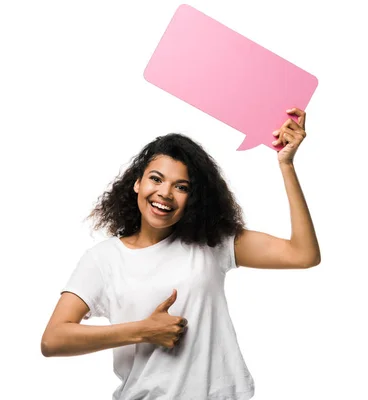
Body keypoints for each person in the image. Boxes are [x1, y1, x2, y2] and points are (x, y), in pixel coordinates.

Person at [40, 108, 320, 400]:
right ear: (138, 183)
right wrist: (143, 330)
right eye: (156, 179)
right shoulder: (104, 259)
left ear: (193, 198)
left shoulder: (212, 243)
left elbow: (303, 254)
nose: (165, 193)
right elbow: (53, 339)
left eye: (181, 187)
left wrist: (286, 165)